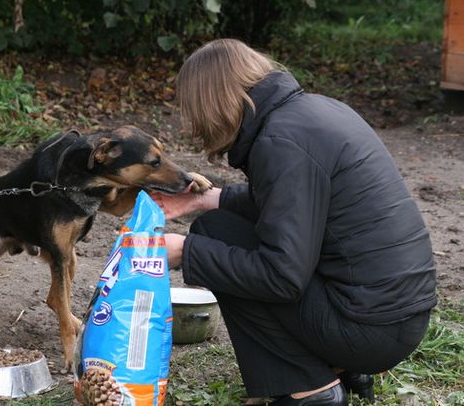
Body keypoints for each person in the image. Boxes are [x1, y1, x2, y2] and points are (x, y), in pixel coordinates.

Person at [152, 39, 436, 406]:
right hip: (398, 314)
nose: (194, 123)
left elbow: (281, 277)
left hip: (371, 330)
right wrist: (210, 198)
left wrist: (185, 253)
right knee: (216, 226)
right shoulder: (313, 111)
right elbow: (294, 205)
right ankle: (337, 366)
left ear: (212, 103)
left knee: (211, 245)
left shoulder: (279, 141)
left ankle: (311, 390)